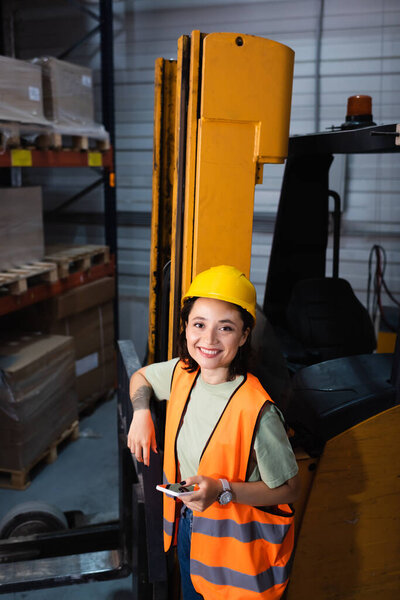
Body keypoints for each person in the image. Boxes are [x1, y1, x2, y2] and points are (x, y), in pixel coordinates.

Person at [128, 265, 300, 600]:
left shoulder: (257, 411)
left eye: (225, 328)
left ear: (244, 335)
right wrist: (141, 413)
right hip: (191, 529)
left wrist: (223, 490)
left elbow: (291, 489)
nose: (208, 340)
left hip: (238, 553)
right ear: (187, 327)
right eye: (199, 324)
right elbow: (142, 378)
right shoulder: (183, 373)